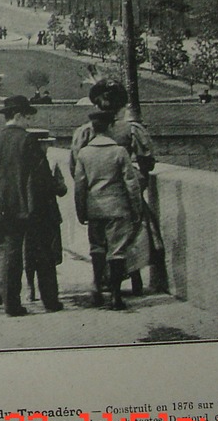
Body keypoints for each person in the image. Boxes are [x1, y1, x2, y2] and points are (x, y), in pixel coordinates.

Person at [69, 81, 157, 295]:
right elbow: (147, 162)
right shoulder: (132, 129)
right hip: (123, 196)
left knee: (98, 245)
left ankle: (99, 284)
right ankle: (133, 281)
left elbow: (75, 168)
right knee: (132, 237)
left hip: (95, 198)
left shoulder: (85, 131)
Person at [0, 94, 56, 317]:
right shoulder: (27, 140)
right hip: (29, 207)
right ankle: (49, 300)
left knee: (11, 256)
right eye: (28, 117)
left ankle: (10, 304)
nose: (29, 122)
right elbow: (40, 175)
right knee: (41, 253)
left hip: (3, 209)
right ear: (19, 116)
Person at [73, 109, 144, 310]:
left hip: (94, 208)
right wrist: (136, 209)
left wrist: (81, 210)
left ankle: (96, 288)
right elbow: (131, 184)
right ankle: (115, 295)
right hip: (117, 208)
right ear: (111, 127)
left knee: (97, 248)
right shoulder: (119, 152)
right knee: (117, 250)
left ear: (93, 129)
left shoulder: (84, 153)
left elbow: (79, 186)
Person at [21, 127, 66, 310]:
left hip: (27, 216)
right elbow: (60, 189)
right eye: (46, 144)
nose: (48, 147)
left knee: (28, 253)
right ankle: (49, 295)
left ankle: (30, 288)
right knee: (48, 255)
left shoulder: (22, 163)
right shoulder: (47, 163)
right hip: (46, 215)